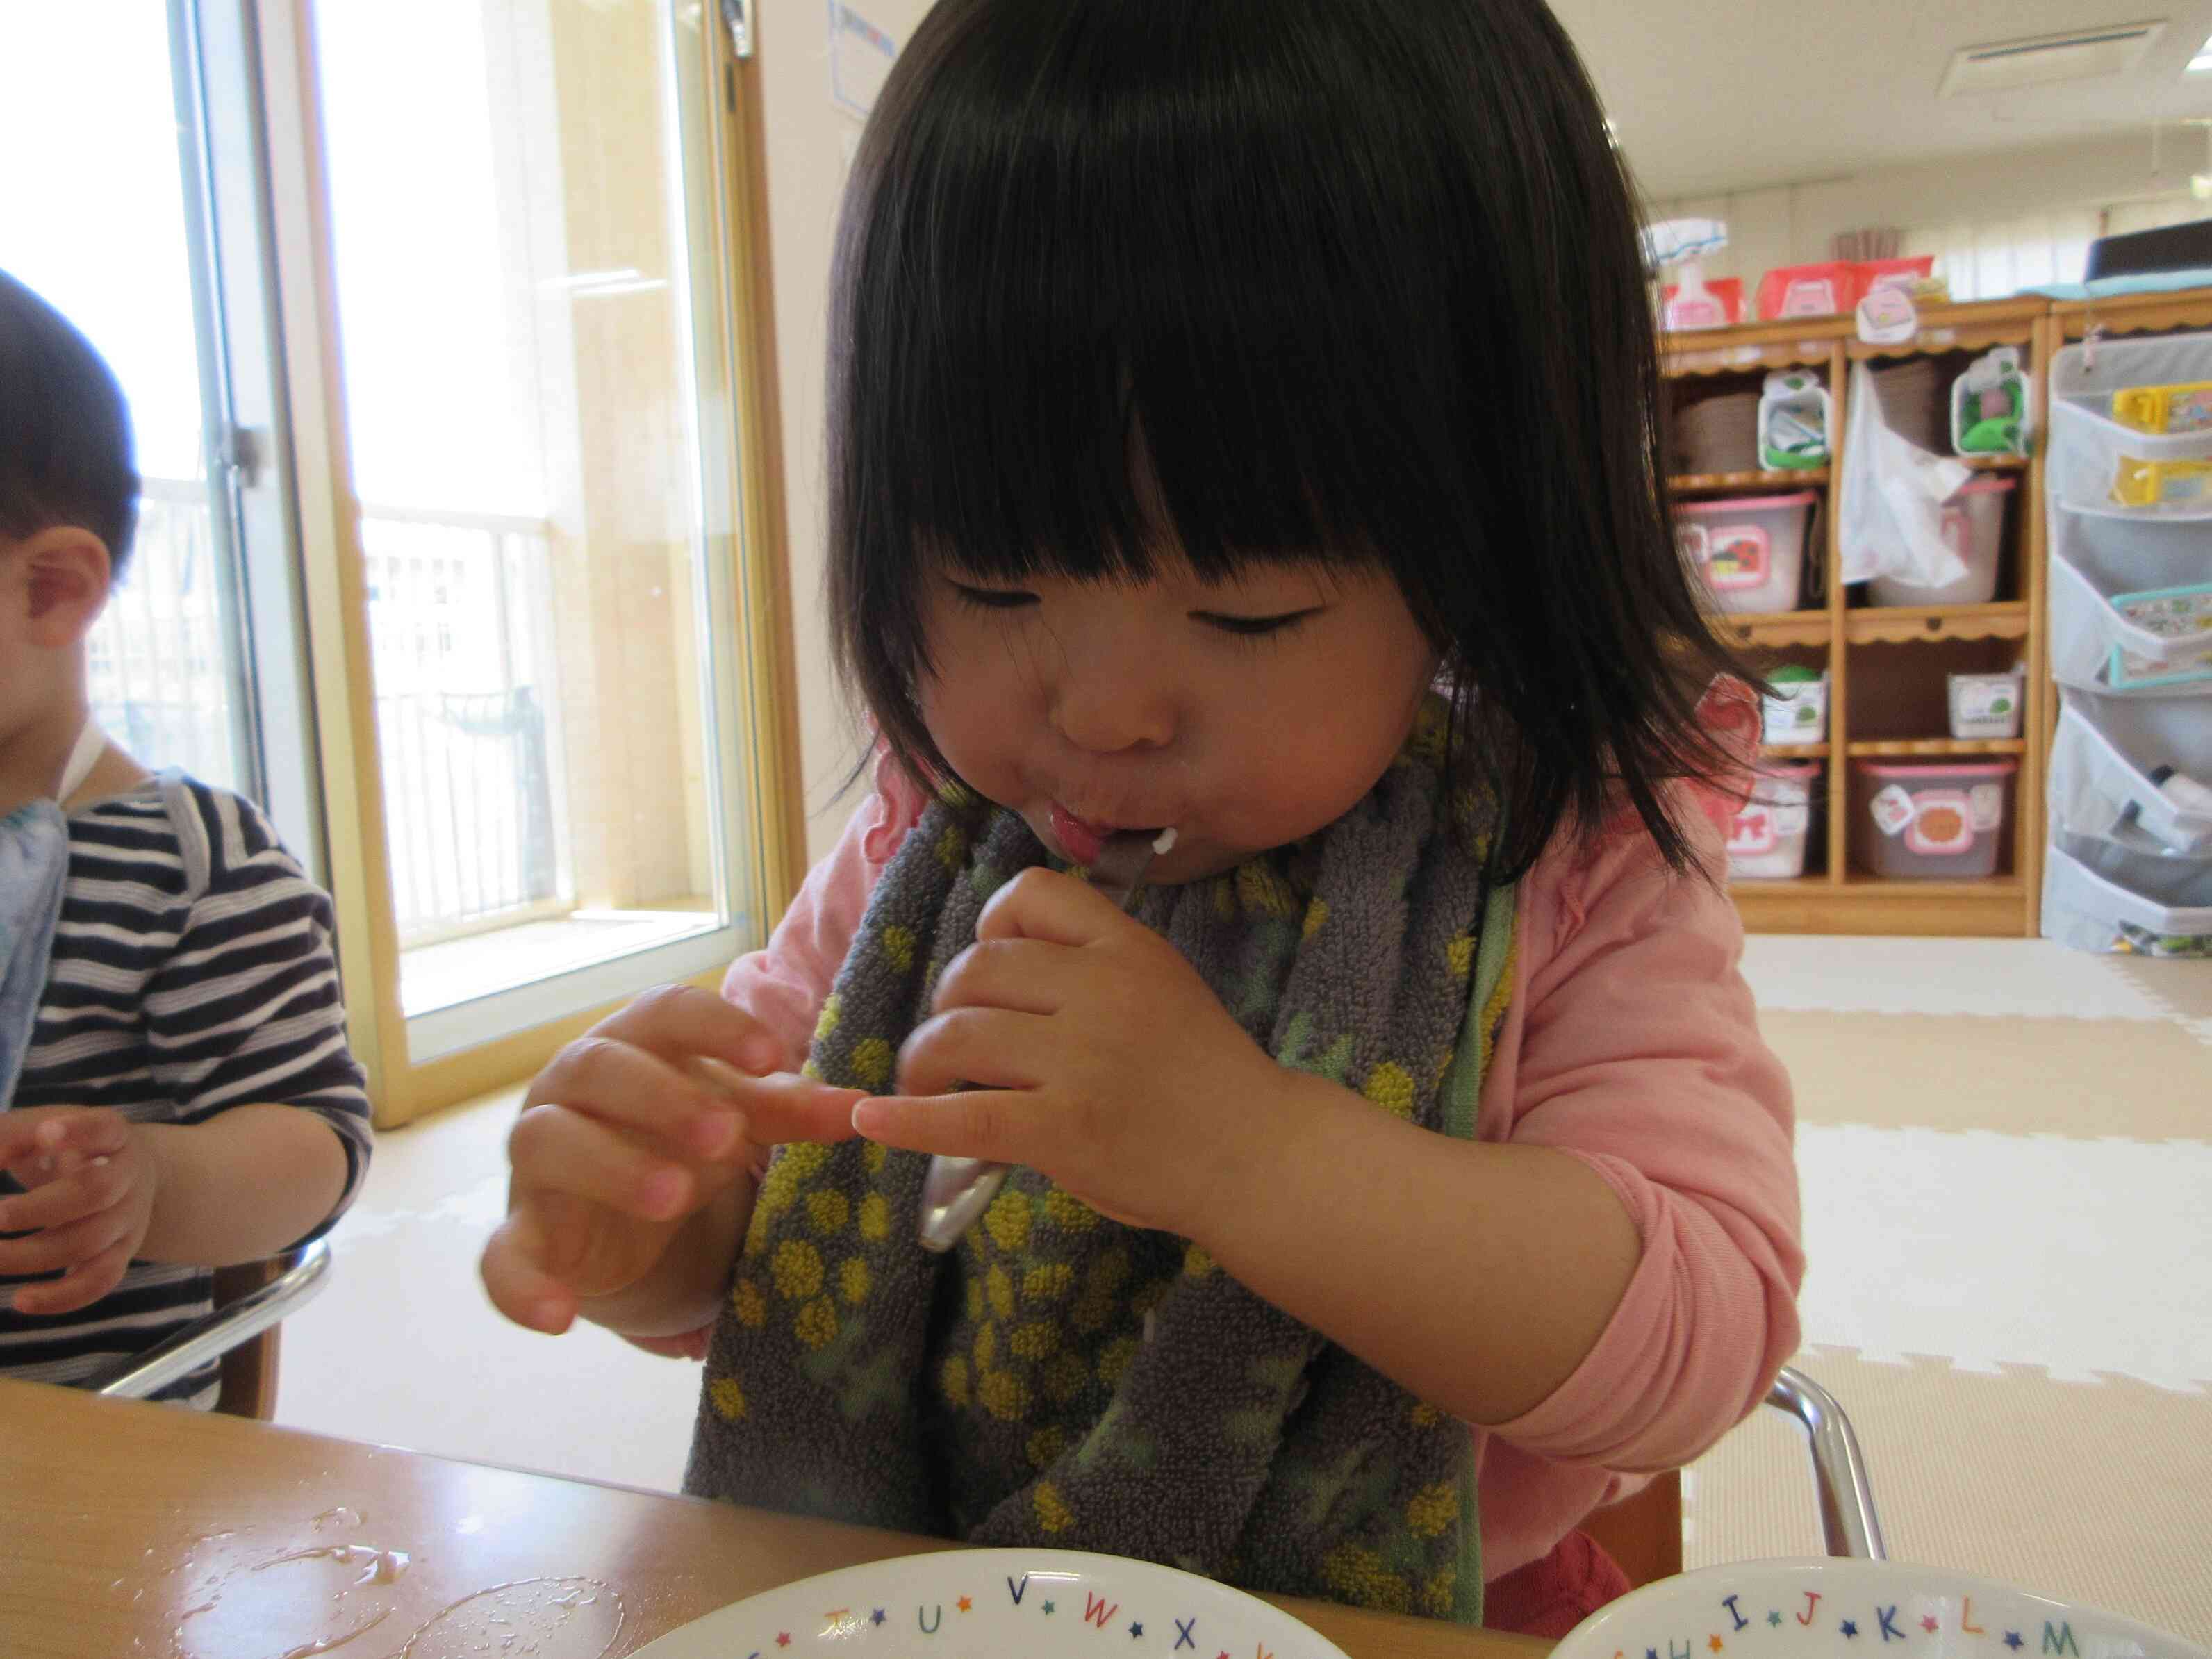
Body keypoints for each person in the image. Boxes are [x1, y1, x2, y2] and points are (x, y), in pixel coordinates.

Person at [481, 0, 1800, 1633]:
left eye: (1243, 615)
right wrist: (657, 1230)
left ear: (1481, 556)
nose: (1097, 713)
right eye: (992, 581)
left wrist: (1243, 1152)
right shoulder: (930, 840)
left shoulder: (1554, 855)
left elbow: (1699, 1338)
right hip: (938, 1604)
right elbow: (788, 1200)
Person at [0, 269, 372, 1407]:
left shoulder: (189, 864)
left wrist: (156, 1181)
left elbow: (316, 1145)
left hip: (81, 1479)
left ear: (50, 591)